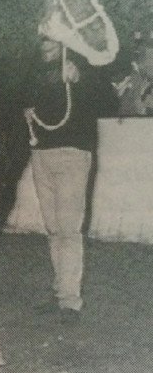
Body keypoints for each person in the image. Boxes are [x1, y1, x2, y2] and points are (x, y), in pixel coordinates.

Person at [23, 37, 117, 324]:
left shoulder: (83, 67)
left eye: (51, 42)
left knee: (68, 228)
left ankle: (70, 301)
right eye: (43, 41)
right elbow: (21, 97)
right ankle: (61, 291)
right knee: (53, 227)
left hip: (73, 154)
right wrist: (24, 108)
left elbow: (110, 102)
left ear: (63, 42)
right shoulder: (34, 71)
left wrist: (81, 80)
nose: (45, 46)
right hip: (41, 152)